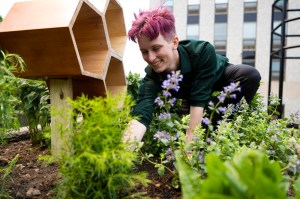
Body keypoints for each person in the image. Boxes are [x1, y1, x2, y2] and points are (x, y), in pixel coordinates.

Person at [122, 6, 261, 144]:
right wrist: (122, 156)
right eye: (144, 52)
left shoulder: (202, 51)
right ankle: (192, 114)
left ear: (174, 42)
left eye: (156, 48)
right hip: (190, 94)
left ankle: (213, 129)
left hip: (217, 79)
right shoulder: (151, 77)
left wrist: (188, 150)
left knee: (250, 74)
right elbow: (141, 116)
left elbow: (198, 102)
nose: (151, 58)